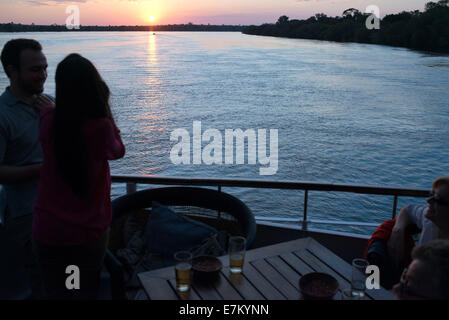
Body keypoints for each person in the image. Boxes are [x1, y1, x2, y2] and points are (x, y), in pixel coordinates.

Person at [31, 53, 125, 299]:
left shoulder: (48, 120)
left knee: (56, 292)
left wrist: (49, 109)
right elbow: (118, 150)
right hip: (86, 234)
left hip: (49, 230)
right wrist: (105, 111)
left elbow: (59, 119)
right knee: (82, 291)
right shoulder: (100, 127)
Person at [0, 38, 49, 299]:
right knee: (29, 285)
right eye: (34, 69)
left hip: (57, 210)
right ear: (11, 71)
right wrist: (42, 170)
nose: (42, 75)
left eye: (44, 68)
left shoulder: (48, 104)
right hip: (23, 216)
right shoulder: (3, 114)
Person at [388, 176, 449, 270]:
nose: (428, 200)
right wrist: (398, 230)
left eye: (437, 199)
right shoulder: (430, 220)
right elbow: (408, 210)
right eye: (431, 194)